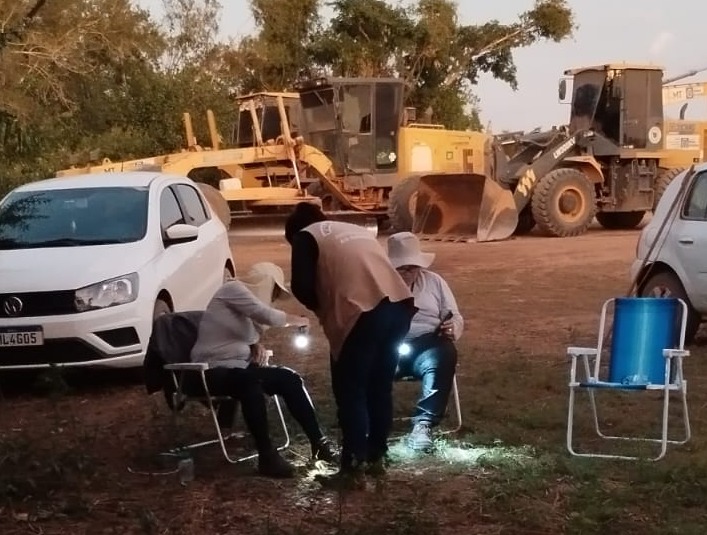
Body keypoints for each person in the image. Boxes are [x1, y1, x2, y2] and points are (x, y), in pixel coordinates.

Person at [284, 202, 418, 485]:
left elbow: (301, 285)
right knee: (379, 387)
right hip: (398, 307)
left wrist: (324, 308)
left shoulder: (305, 236)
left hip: (362, 313)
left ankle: (352, 469)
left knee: (351, 390)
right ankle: (376, 457)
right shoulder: (354, 230)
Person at [190, 261, 339, 478]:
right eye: (275, 290)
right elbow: (265, 314)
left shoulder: (243, 307)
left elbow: (241, 333)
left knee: (289, 378)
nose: (274, 297)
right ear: (265, 282)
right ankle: (266, 455)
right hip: (209, 370)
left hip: (238, 369)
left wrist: (253, 345)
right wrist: (299, 320)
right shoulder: (232, 289)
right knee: (250, 384)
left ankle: (319, 442)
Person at [386, 232, 464, 452]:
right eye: (402, 268)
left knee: (444, 354)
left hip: (427, 344)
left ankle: (424, 423)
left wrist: (452, 327)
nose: (409, 272)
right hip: (389, 345)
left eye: (413, 267)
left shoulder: (434, 282)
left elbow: (454, 315)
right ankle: (370, 419)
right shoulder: (378, 284)